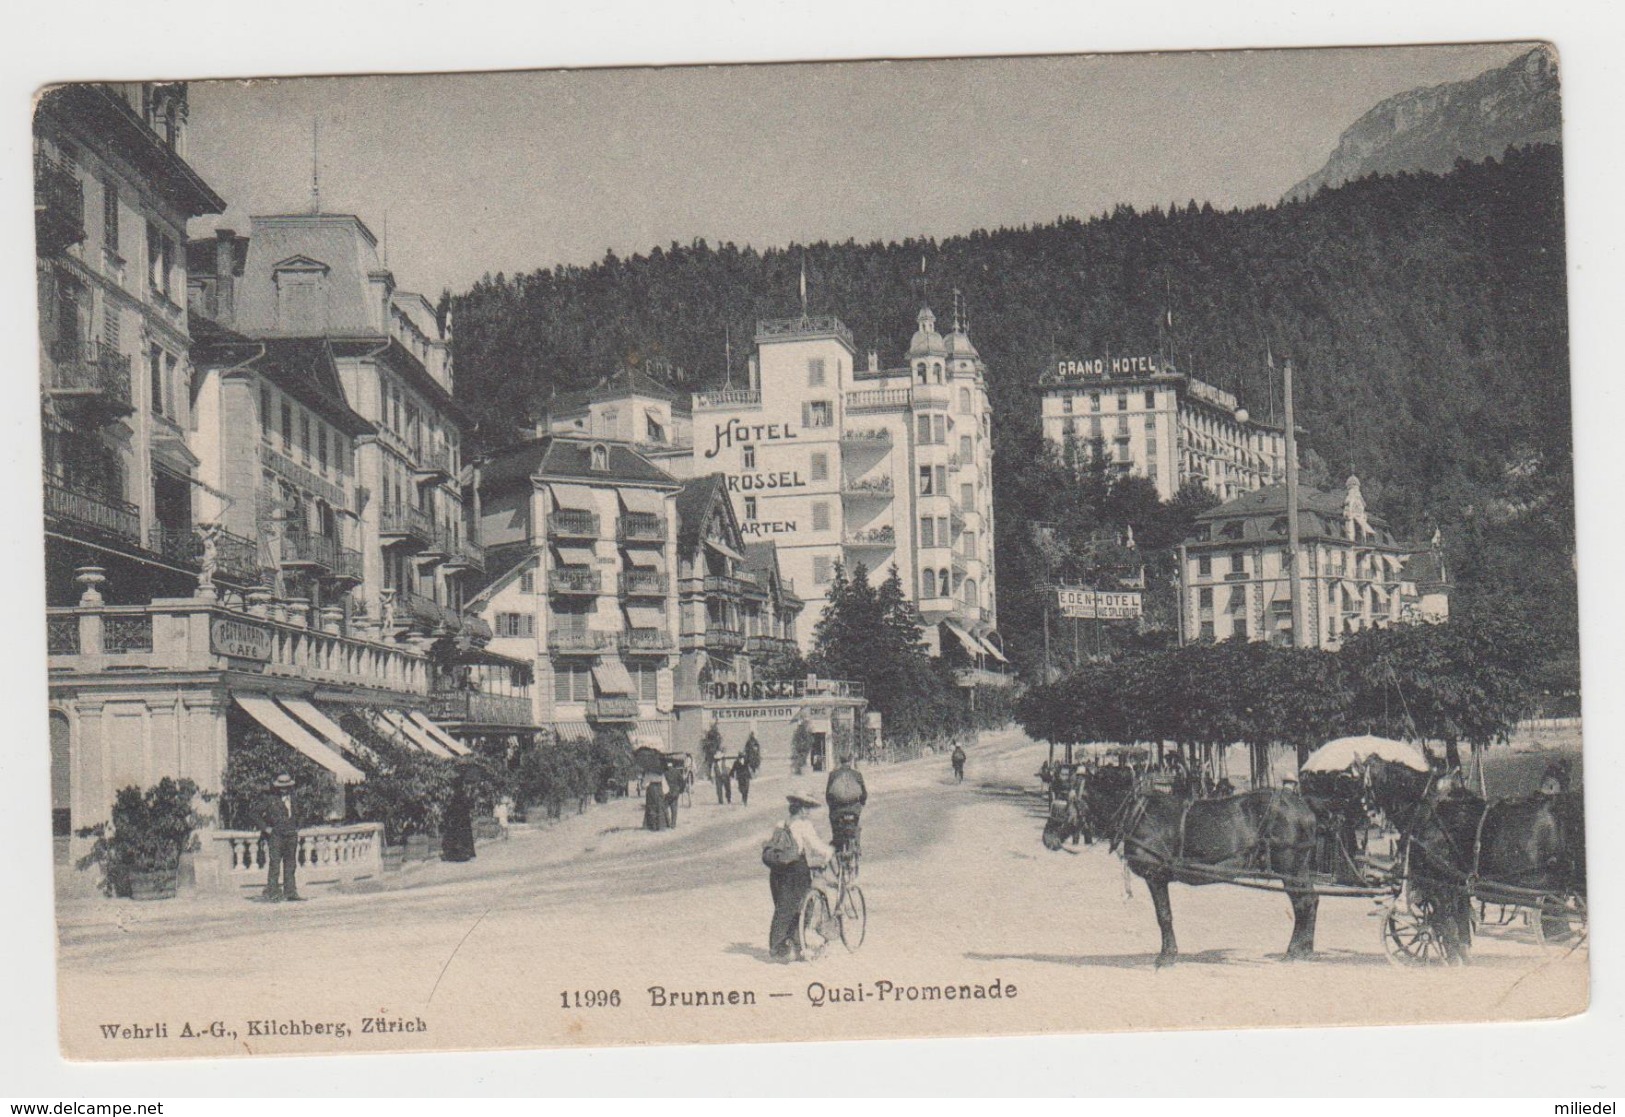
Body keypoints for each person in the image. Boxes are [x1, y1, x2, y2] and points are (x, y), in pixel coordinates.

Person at [768, 794, 833, 961]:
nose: (809, 813)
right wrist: (829, 852)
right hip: (796, 871)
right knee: (803, 906)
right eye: (808, 809)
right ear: (803, 809)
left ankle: (781, 946)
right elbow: (816, 845)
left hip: (777, 871)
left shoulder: (781, 824)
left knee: (782, 908)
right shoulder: (804, 825)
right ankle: (792, 945)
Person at [259, 773, 303, 902]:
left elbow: (303, 813)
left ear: (290, 786)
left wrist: (298, 826)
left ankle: (290, 892)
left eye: (287, 786)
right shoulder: (270, 799)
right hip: (276, 836)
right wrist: (265, 827)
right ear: (277, 787)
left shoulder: (295, 798)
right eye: (281, 786)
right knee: (275, 864)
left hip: (291, 835)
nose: (284, 789)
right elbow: (254, 813)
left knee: (290, 864)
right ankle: (273, 893)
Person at [825, 756, 867, 860]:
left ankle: (836, 843)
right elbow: (864, 794)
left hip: (838, 810)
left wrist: (832, 806)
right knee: (856, 825)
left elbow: (828, 796)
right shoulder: (857, 774)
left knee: (834, 824)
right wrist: (861, 804)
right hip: (854, 810)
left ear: (840, 761)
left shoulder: (833, 774)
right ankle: (857, 845)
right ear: (850, 761)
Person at [441, 762, 476, 862]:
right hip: (463, 819)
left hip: (456, 819)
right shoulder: (463, 794)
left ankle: (456, 853)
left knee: (455, 834)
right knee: (463, 834)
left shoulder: (454, 796)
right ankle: (464, 852)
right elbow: (468, 805)